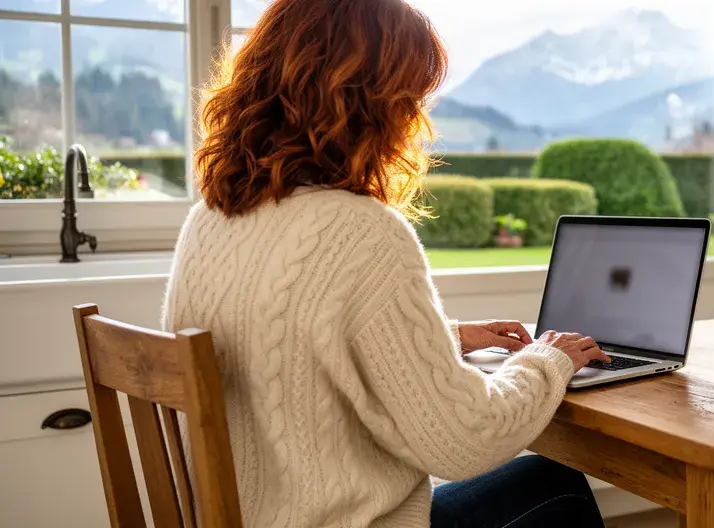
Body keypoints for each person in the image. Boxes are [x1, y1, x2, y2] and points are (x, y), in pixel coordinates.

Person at [162, 0, 612, 526]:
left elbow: (291, 346)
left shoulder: (211, 221)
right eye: (411, 99)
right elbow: (464, 441)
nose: (416, 120)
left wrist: (452, 336)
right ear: (370, 106)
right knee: (553, 484)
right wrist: (548, 360)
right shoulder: (361, 232)